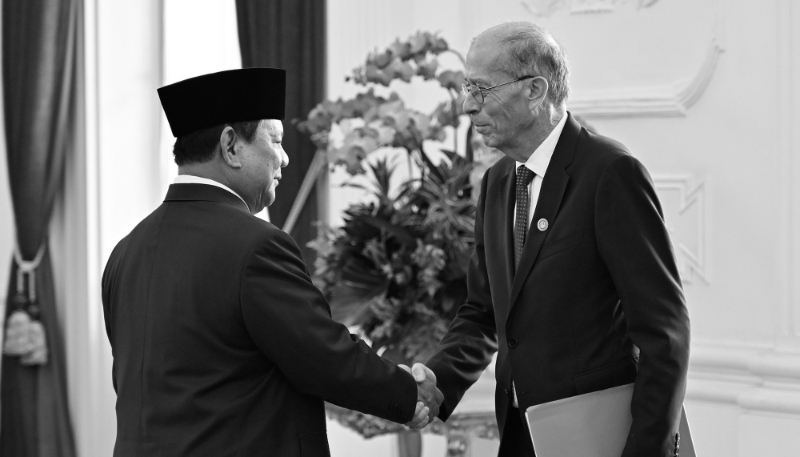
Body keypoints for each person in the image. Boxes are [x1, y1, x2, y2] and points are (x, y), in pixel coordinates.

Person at [101, 68, 442, 457]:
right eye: (275, 140)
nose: (285, 158)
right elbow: (323, 357)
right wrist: (407, 392)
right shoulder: (256, 246)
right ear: (231, 146)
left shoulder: (125, 251)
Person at [412, 22, 691, 456]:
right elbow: (483, 312)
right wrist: (436, 385)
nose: (467, 105)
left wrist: (644, 450)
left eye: (481, 89)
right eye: (467, 88)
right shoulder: (498, 181)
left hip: (602, 437)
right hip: (521, 434)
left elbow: (664, 333)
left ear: (536, 90)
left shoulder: (610, 173)